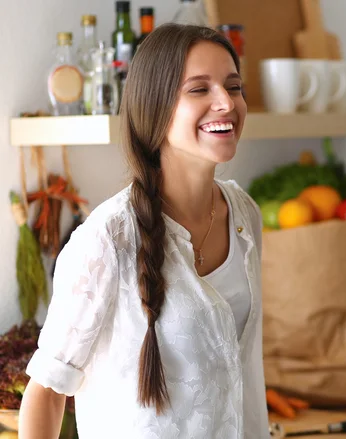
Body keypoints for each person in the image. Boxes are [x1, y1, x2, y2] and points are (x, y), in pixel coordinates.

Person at [19, 24, 269, 438]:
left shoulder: (245, 216)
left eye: (234, 86)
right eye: (199, 90)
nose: (226, 103)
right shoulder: (108, 240)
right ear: (156, 107)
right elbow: (46, 392)